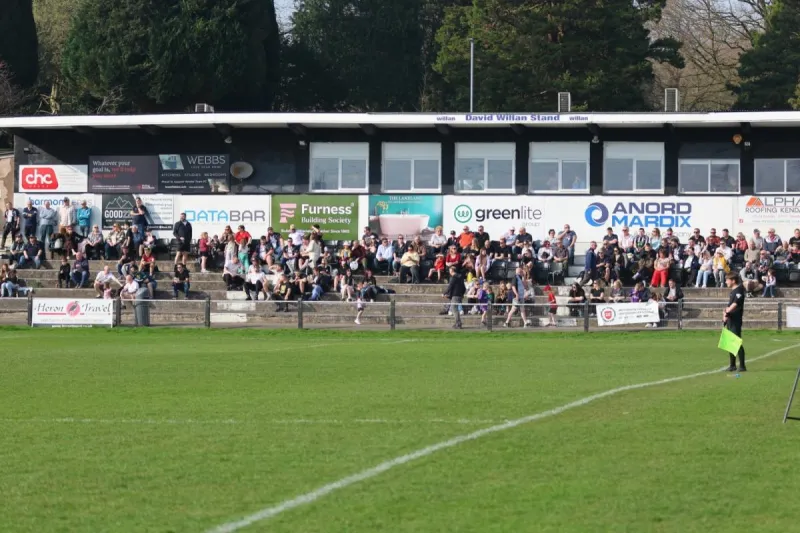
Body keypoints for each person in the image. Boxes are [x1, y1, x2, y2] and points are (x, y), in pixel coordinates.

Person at [723, 273, 747, 372]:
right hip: (730, 319)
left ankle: (742, 366)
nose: (726, 282)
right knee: (730, 342)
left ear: (733, 280)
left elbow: (735, 304)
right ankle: (732, 365)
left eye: (727, 280)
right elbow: (728, 305)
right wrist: (724, 314)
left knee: (736, 342)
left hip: (736, 319)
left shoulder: (739, 290)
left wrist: (727, 311)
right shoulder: (732, 292)